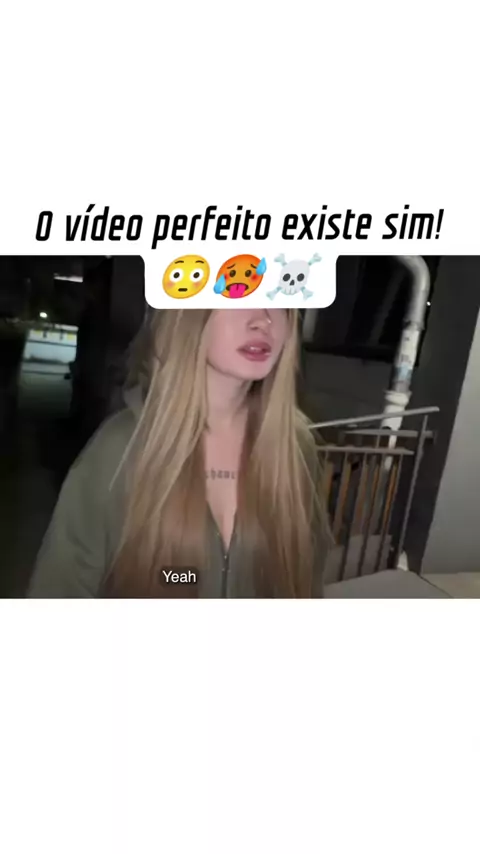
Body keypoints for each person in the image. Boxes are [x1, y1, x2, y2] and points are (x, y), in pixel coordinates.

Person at [28, 308, 332, 598]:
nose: (263, 320)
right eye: (236, 294)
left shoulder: (296, 447)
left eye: (277, 301)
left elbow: (307, 585)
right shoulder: (120, 448)